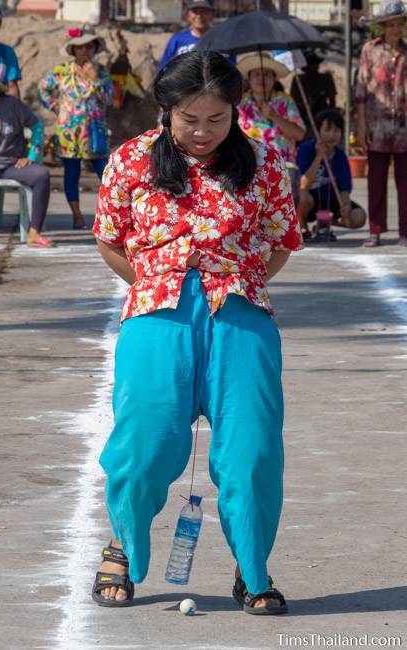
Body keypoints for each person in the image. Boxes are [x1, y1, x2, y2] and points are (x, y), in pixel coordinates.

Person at [91, 50, 303, 613]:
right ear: (166, 110)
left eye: (217, 118)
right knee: (144, 443)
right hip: (157, 316)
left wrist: (242, 284)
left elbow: (282, 240)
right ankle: (123, 544)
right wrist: (155, 285)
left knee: (252, 449)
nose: (204, 130)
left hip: (240, 314)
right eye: (190, 118)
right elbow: (110, 237)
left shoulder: (263, 163)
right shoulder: (131, 161)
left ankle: (251, 567)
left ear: (234, 112)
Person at [39, 27, 113, 230]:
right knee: (71, 173)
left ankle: (110, 216)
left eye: (89, 46)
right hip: (69, 134)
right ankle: (77, 215)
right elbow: (43, 88)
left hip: (95, 132)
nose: (85, 51)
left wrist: (95, 79)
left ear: (95, 48)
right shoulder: (61, 71)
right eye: (80, 47)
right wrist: (56, 107)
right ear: (73, 49)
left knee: (106, 173)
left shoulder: (102, 72)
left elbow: (109, 99)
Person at [0, 64, 52, 247]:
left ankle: (34, 233)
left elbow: (37, 125)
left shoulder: (12, 105)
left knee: (41, 175)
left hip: (11, 164)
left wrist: (33, 154)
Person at [356, 0, 407, 247]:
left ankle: (405, 233)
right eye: (391, 25)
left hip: (404, 129)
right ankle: (375, 230)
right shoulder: (369, 50)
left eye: (400, 25)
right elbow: (361, 89)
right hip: (377, 126)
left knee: (405, 182)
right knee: (375, 180)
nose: (396, 30)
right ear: (383, 27)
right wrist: (362, 124)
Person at [297, 109, 367, 241]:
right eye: (327, 130)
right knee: (303, 196)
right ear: (318, 132)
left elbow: (344, 189)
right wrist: (318, 157)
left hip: (331, 203)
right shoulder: (305, 150)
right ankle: (302, 226)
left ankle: (324, 223)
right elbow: (303, 184)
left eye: (336, 131)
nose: (332, 135)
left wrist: (345, 205)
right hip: (310, 201)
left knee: (359, 217)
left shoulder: (340, 156)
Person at [237, 51, 305, 165]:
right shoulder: (240, 104)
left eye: (267, 74)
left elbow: (299, 135)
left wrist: (274, 116)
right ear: (249, 79)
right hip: (249, 167)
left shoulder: (285, 101)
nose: (261, 79)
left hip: (282, 167)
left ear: (274, 79)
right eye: (257, 74)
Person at [290, 51, 337, 136]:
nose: (314, 67)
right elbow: (293, 101)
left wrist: (329, 117)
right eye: (311, 65)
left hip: (323, 117)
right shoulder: (298, 80)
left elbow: (332, 101)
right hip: (304, 118)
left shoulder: (326, 78)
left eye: (315, 64)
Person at [159, 0, 215, 69]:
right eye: (195, 11)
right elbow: (163, 69)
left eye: (204, 11)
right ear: (188, 15)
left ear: (211, 14)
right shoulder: (177, 39)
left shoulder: (220, 39)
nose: (199, 16)